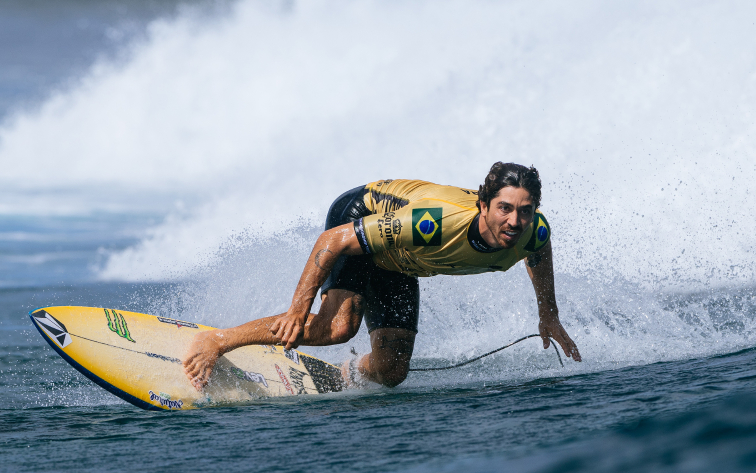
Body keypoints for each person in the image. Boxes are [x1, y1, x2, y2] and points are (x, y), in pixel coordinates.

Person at [182, 162, 581, 389]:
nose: (515, 220)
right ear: (483, 206)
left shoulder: (533, 231)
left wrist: (549, 314)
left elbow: (539, 253)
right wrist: (296, 309)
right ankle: (217, 340)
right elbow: (333, 241)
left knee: (392, 371)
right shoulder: (434, 223)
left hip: (398, 260)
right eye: (504, 208)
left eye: (525, 210)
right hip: (362, 219)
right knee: (336, 329)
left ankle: (347, 374)